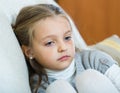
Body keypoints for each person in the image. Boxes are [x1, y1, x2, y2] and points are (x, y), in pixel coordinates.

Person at [13, 4, 120, 93]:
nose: (63, 48)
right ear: (29, 51)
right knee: (57, 88)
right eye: (50, 43)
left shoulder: (94, 59)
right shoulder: (38, 86)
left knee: (88, 78)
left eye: (67, 38)